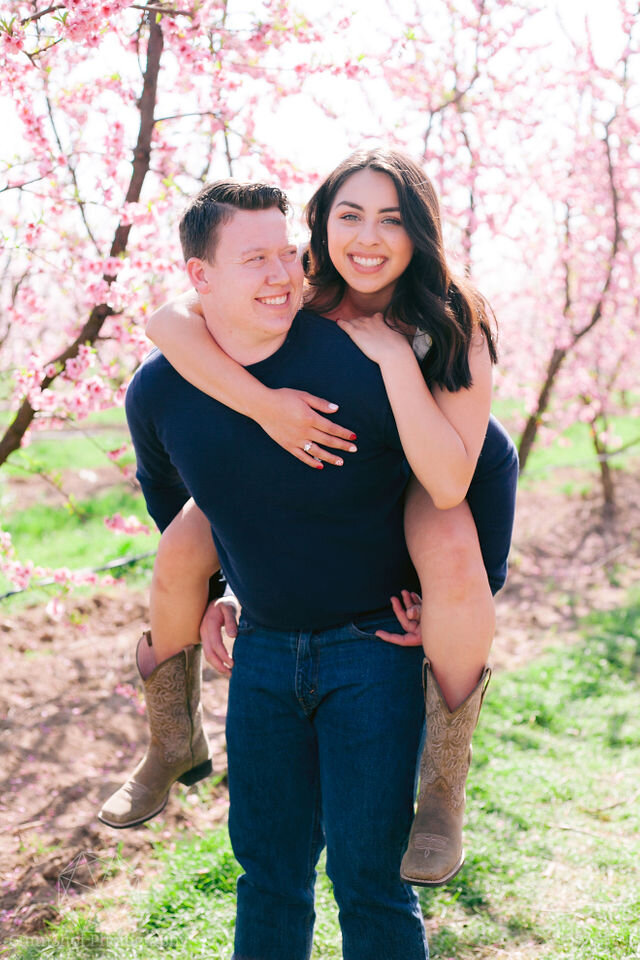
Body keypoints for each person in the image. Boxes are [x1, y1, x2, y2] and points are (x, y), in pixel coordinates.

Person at [100, 149, 518, 889]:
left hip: (433, 473)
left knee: (450, 550)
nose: (368, 236)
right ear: (319, 228)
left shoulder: (448, 320)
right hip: (307, 477)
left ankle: (443, 793)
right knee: (181, 548)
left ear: (421, 232)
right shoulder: (304, 292)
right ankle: (171, 734)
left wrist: (392, 357)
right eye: (348, 215)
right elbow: (167, 320)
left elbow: (461, 475)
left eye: (392, 219)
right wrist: (263, 406)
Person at [114, 178, 430, 959]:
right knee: (268, 875)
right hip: (260, 656)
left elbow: (475, 461)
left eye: (288, 253)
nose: (282, 275)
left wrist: (462, 589)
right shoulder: (158, 392)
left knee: (372, 880)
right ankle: (170, 736)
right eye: (255, 258)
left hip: (376, 649)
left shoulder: (356, 356)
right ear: (201, 278)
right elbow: (181, 508)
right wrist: (214, 593)